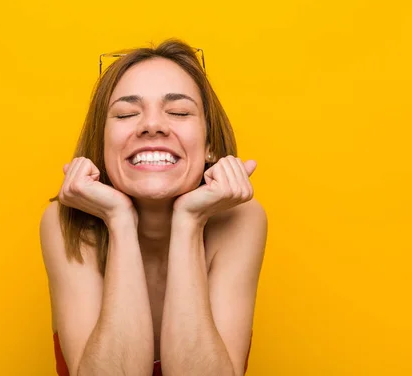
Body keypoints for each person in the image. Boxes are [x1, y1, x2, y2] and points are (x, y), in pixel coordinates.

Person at [40, 38, 268, 376]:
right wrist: (118, 219)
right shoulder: (65, 221)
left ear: (209, 145)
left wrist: (190, 221)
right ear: (101, 146)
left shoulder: (241, 219)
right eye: (127, 113)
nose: (152, 125)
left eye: (178, 112)